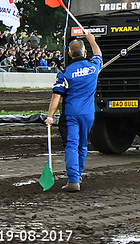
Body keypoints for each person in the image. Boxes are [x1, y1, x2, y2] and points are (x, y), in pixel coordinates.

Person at [45, 33, 102, 192]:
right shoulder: (93, 66)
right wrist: (92, 41)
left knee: (71, 145)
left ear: (69, 54)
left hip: (71, 114)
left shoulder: (65, 73)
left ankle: (73, 180)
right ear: (85, 53)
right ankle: (78, 174)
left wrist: (50, 116)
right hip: (88, 114)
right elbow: (98, 54)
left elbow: (56, 95)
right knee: (83, 145)